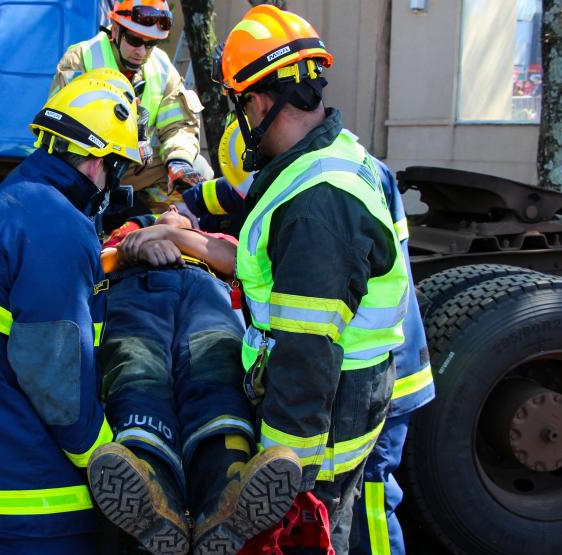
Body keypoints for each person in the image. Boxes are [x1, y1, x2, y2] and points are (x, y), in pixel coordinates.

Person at [217, 6, 410, 554]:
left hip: (321, 414)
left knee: (313, 532)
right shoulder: (336, 157)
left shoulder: (315, 203)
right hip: (349, 391)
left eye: (240, 106)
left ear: (257, 100)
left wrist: (284, 480)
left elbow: (305, 355)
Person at [0, 69, 141, 554]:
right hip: (31, 502)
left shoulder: (9, 205)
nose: (114, 182)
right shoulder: (55, 227)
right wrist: (106, 461)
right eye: (116, 167)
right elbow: (57, 377)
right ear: (93, 161)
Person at [88, 206, 302, 555]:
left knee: (216, 367)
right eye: (161, 212)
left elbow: (236, 262)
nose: (171, 208)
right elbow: (92, 265)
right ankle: (150, 481)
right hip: (133, 289)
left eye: (178, 210)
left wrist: (173, 236)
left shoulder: (215, 239)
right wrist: (132, 249)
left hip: (207, 292)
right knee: (137, 365)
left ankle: (225, 486)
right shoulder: (124, 237)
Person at [50, 0, 212, 217]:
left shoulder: (162, 68)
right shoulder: (82, 58)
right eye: (135, 40)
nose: (142, 52)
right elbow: (60, 128)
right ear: (115, 30)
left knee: (198, 170)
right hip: (89, 164)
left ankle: (158, 232)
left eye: (151, 43)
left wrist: (179, 161)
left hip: (135, 170)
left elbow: (178, 125)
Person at [348, 160, 435, 555]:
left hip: (385, 372)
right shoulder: (363, 163)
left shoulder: (329, 177)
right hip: (392, 364)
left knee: (372, 498)